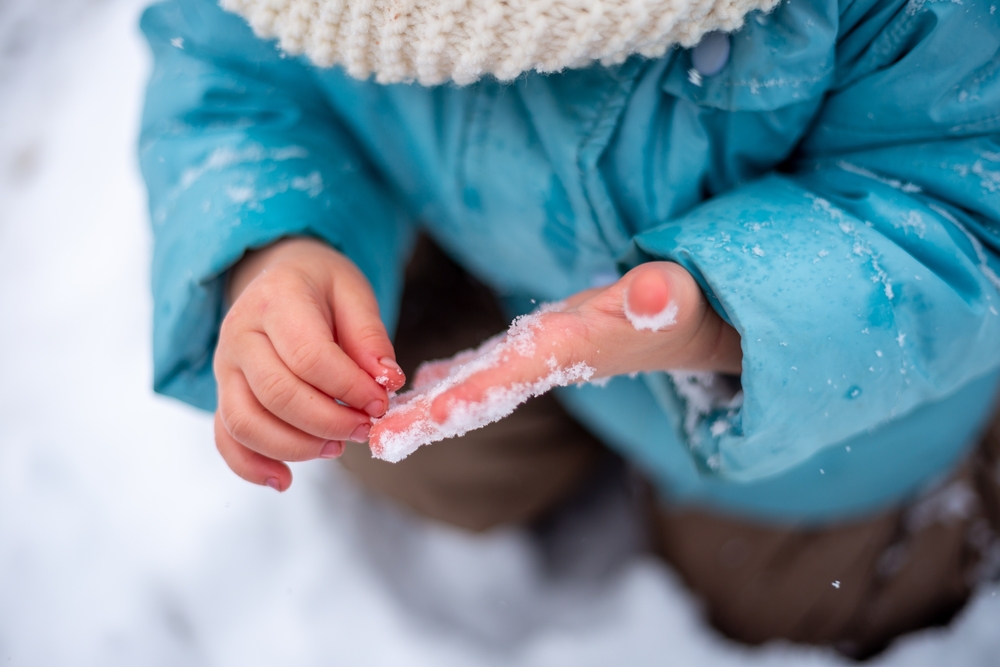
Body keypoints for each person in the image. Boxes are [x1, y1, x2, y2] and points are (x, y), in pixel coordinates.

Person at [138, 0, 1000, 656]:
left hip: (839, 383)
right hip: (496, 257)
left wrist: (734, 318)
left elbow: (960, 188)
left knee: (803, 595)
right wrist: (280, 242)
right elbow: (232, 73)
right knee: (397, 443)